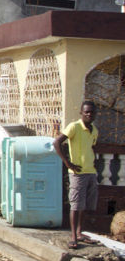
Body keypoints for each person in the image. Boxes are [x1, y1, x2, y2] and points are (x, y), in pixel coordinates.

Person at [54, 100, 100, 250]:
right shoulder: (74, 127)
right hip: (77, 173)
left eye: (92, 112)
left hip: (90, 172)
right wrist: (68, 163)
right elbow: (57, 143)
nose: (89, 114)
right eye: (86, 112)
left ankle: (80, 233)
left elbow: (92, 148)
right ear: (81, 113)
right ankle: (73, 236)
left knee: (85, 205)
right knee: (75, 204)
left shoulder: (94, 130)